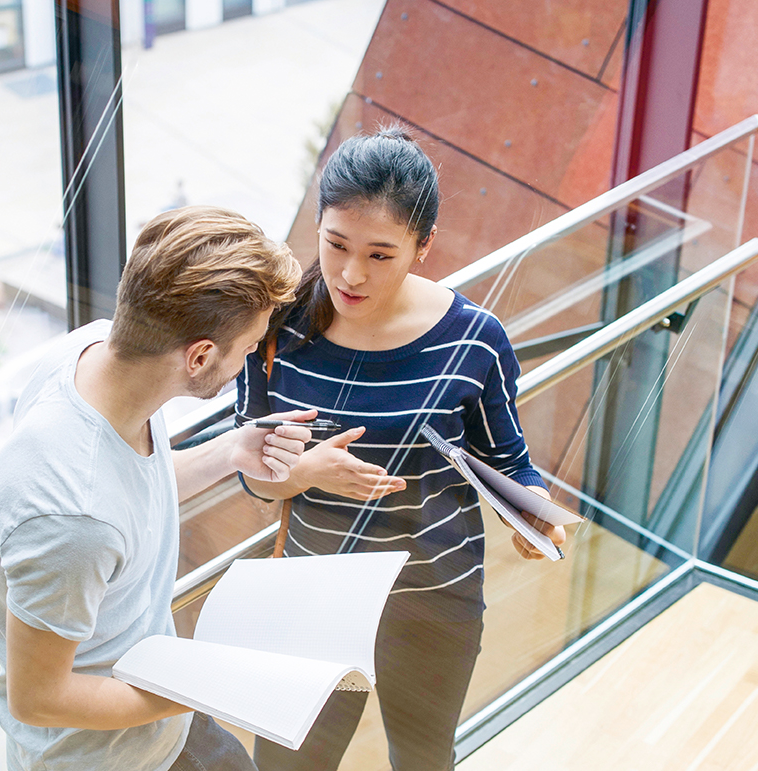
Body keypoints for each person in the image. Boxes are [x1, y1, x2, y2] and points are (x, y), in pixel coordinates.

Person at [236, 126, 567, 771]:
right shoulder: (275, 327)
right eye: (335, 244)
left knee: (421, 758)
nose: (351, 274)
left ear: (424, 246)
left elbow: (508, 462)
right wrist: (305, 472)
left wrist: (534, 511)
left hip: (433, 595)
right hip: (313, 595)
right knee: (287, 764)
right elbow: (251, 473)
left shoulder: (474, 339)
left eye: (381, 255)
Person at [0, 205, 317, 771]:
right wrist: (206, 684)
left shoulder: (94, 354)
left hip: (163, 711)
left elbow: (128, 492)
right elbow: (38, 698)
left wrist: (232, 451)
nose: (254, 356)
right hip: (107, 754)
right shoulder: (70, 519)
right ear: (200, 356)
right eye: (251, 344)